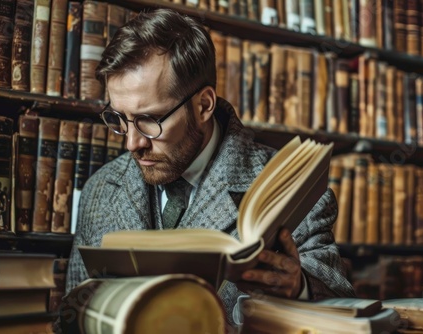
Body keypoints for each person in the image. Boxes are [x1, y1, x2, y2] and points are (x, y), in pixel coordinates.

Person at [65, 8, 354, 328]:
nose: (132, 143)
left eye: (149, 120)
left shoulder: (288, 185)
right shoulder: (99, 191)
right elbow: (73, 316)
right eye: (120, 119)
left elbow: (341, 301)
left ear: (203, 105)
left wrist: (299, 289)